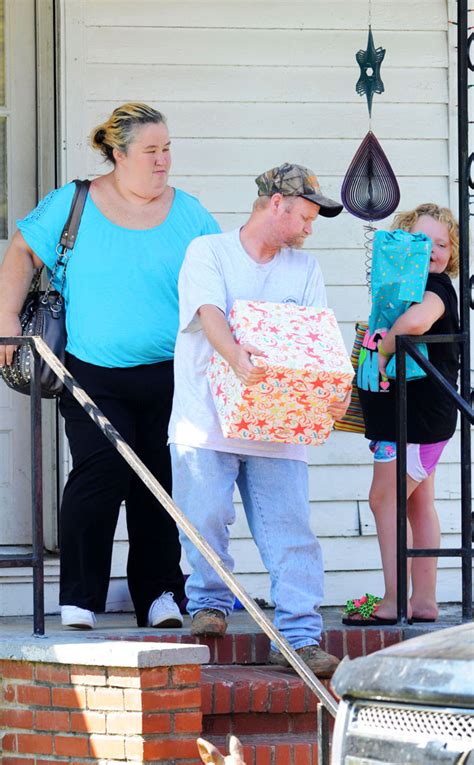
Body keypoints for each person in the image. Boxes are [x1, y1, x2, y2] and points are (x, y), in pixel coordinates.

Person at [0, 102, 220, 629]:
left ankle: (161, 595)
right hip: (92, 371)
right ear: (118, 154)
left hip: (172, 373)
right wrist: (7, 318)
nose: (163, 160)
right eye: (151, 150)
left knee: (161, 483)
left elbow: (218, 277)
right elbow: (22, 252)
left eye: (167, 148)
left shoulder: (189, 212)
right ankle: (80, 596)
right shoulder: (74, 202)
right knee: (99, 474)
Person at [168, 163, 350, 677]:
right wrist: (235, 357)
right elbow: (209, 314)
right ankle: (208, 604)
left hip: (282, 425)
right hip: (206, 418)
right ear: (276, 204)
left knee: (291, 531)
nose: (310, 228)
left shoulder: (304, 268)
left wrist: (335, 394)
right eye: (306, 215)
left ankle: (299, 637)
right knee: (203, 514)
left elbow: (319, 337)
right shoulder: (210, 252)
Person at [347, 204, 460, 625]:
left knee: (383, 499)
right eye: (422, 241)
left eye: (442, 244)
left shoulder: (436, 288)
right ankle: (424, 601)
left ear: (453, 254)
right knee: (418, 504)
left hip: (416, 418)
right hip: (411, 417)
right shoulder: (405, 285)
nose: (433, 250)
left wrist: (384, 348)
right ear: (404, 245)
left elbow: (417, 321)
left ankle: (395, 600)